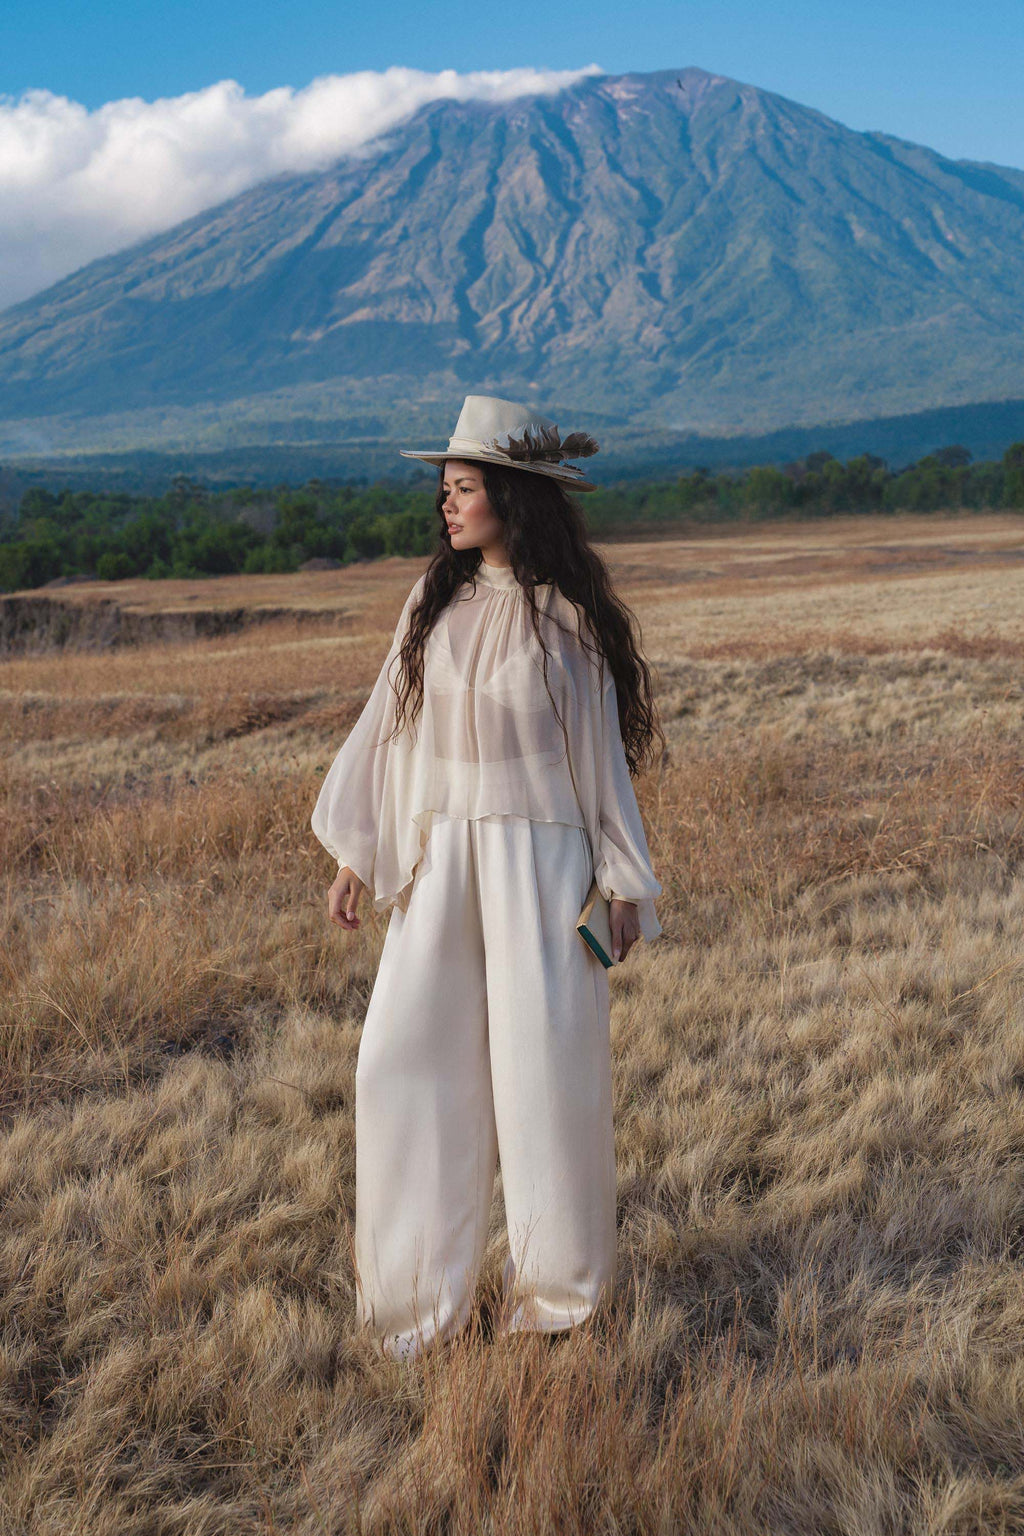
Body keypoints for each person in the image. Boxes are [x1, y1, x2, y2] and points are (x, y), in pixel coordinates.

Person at [311, 394, 664, 1361]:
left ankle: (559, 1301)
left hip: (545, 873)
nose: (447, 507)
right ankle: (416, 1305)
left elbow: (601, 768)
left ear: (512, 498)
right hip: (439, 866)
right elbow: (387, 737)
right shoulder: (431, 607)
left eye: (463, 489)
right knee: (401, 1064)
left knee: (548, 1082)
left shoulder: (568, 625)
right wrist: (357, 855)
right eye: (444, 491)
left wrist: (624, 887)